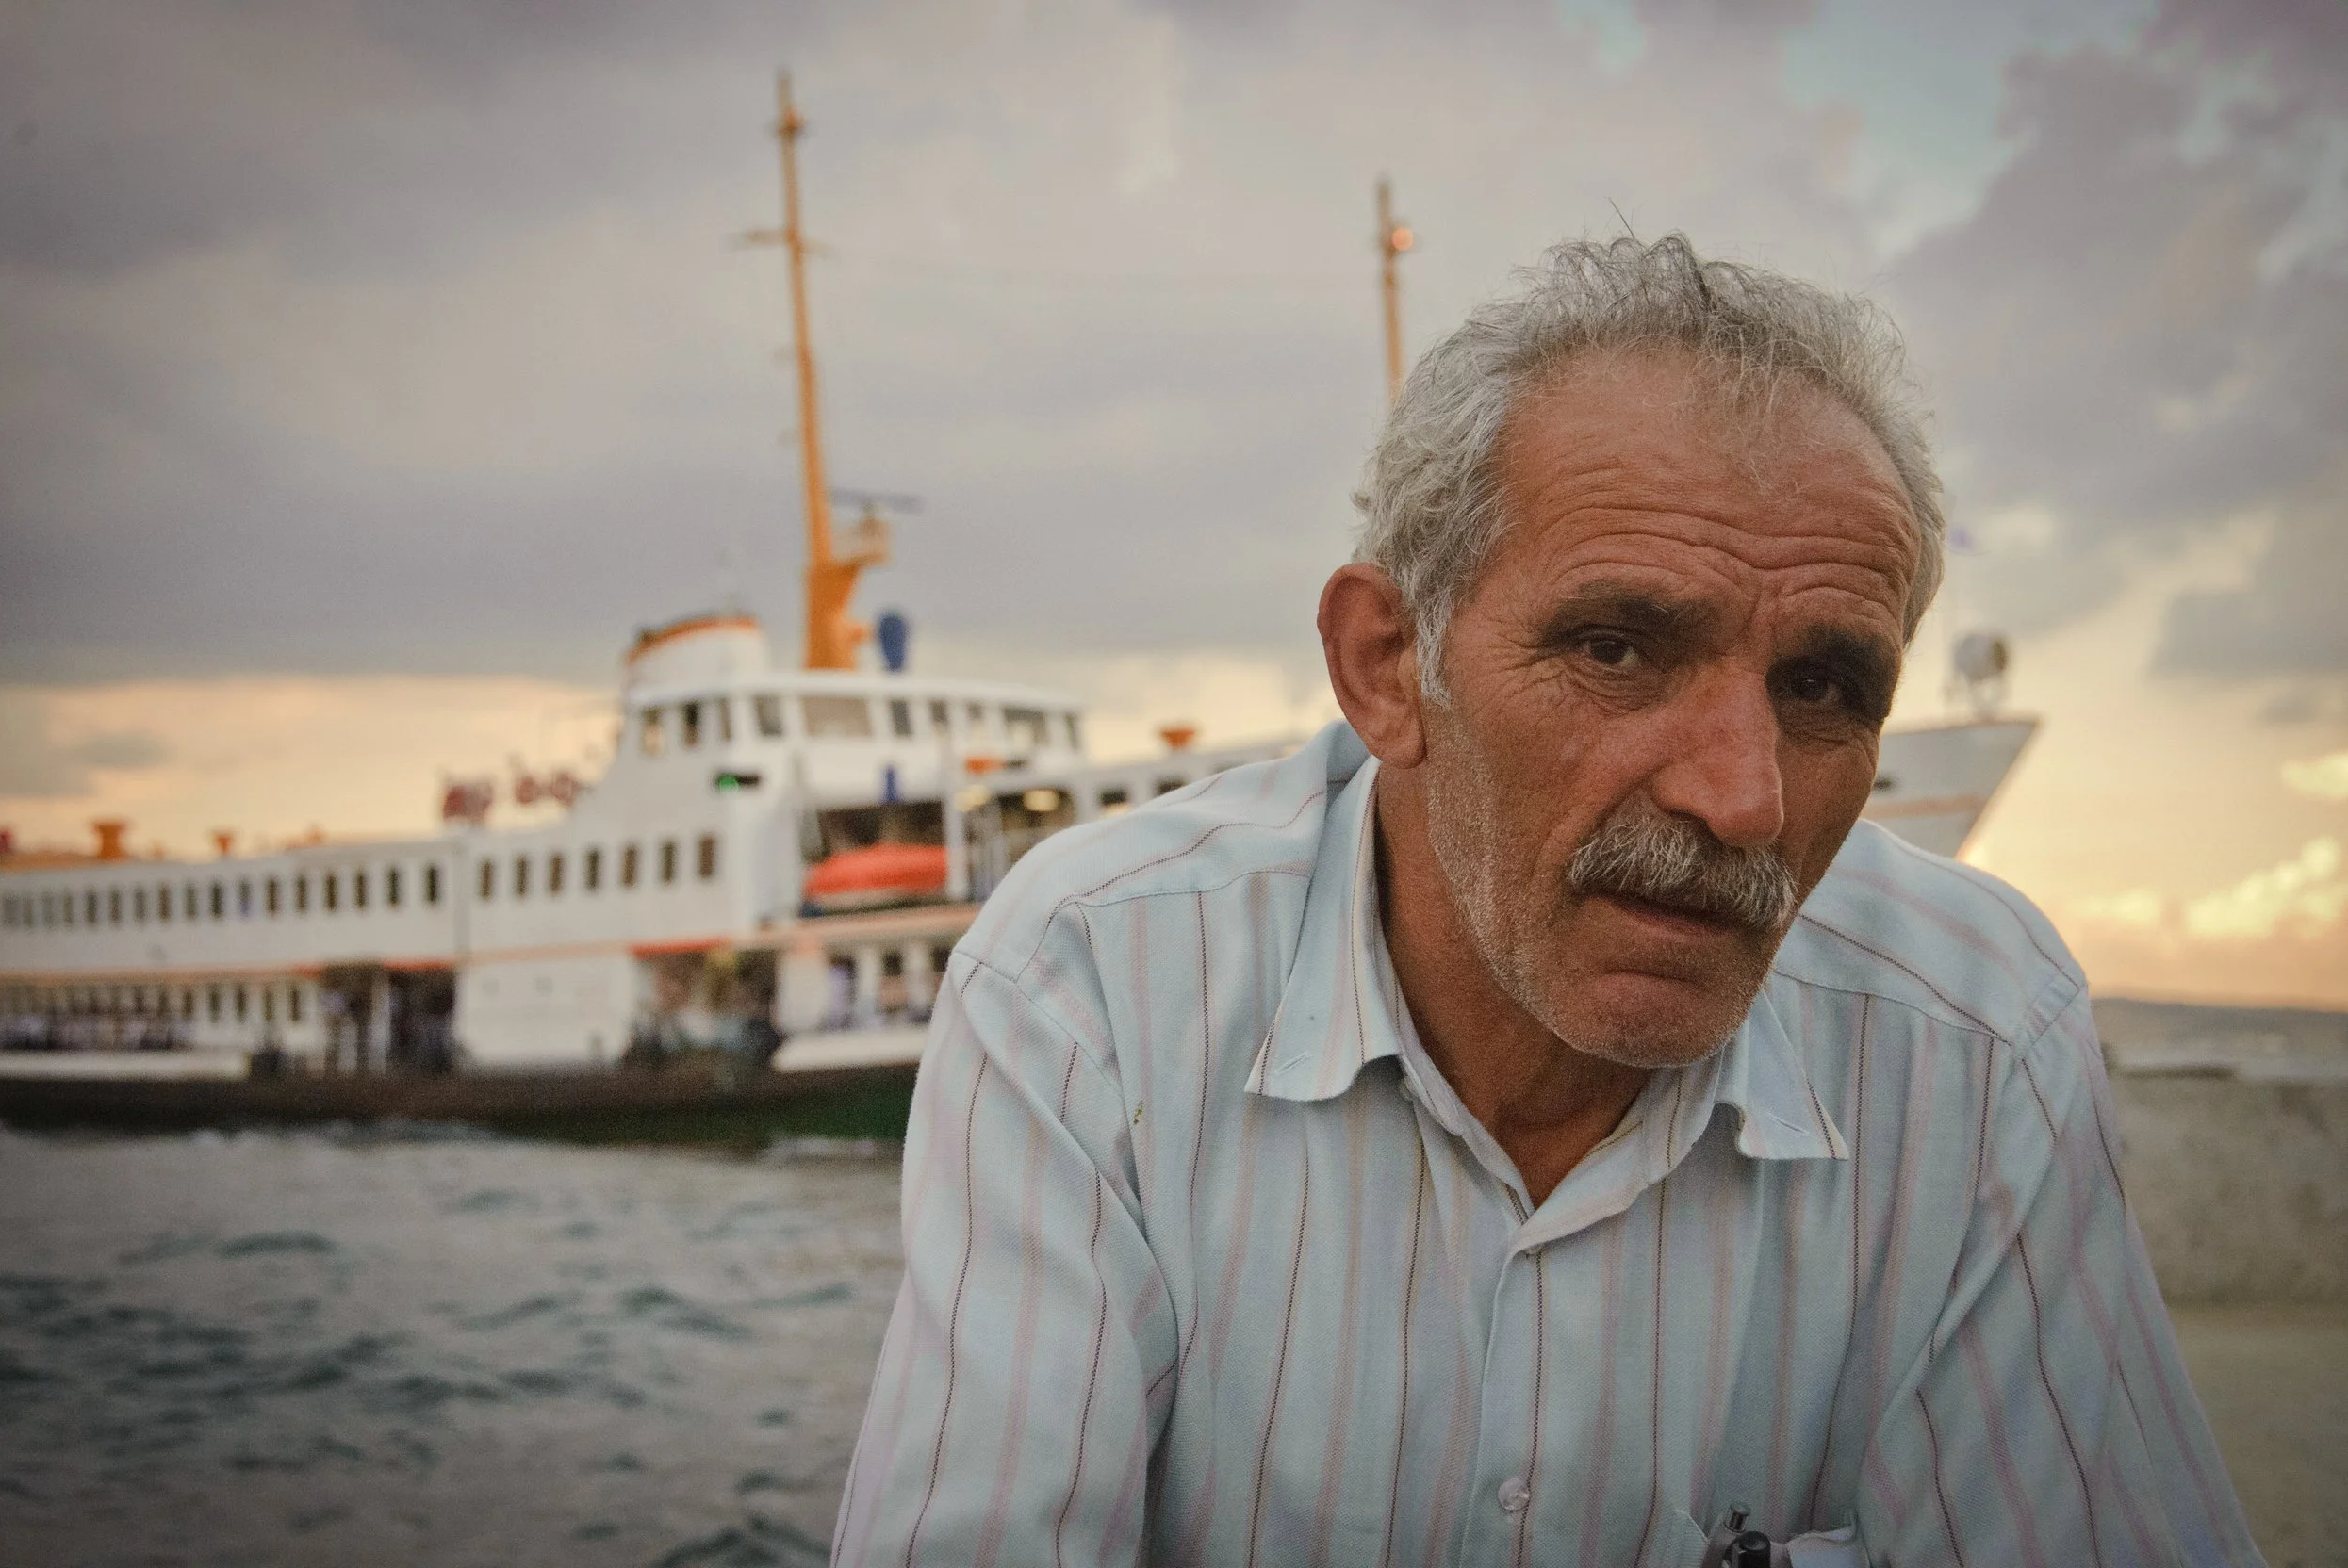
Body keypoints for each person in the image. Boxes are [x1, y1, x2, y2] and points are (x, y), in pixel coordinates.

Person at [833, 236, 2260, 1566]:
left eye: (1822, 688)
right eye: (1618, 648)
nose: (1744, 798)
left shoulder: (1980, 1038)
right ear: (1391, 667)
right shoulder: (1094, 985)